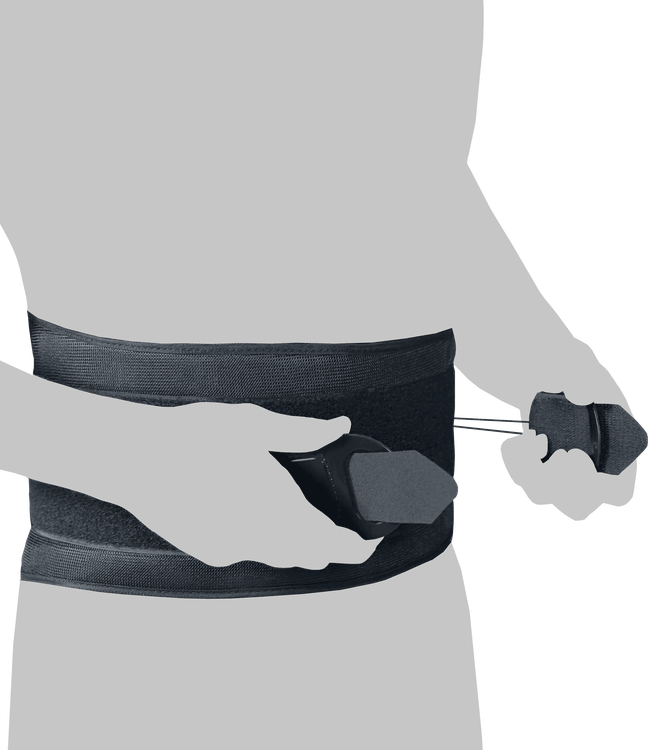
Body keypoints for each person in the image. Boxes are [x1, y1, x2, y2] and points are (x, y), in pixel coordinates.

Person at [1, 3, 638, 747]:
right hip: (137, 657)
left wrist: (539, 356)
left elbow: (400, 155)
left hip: (407, 640)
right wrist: (123, 455)